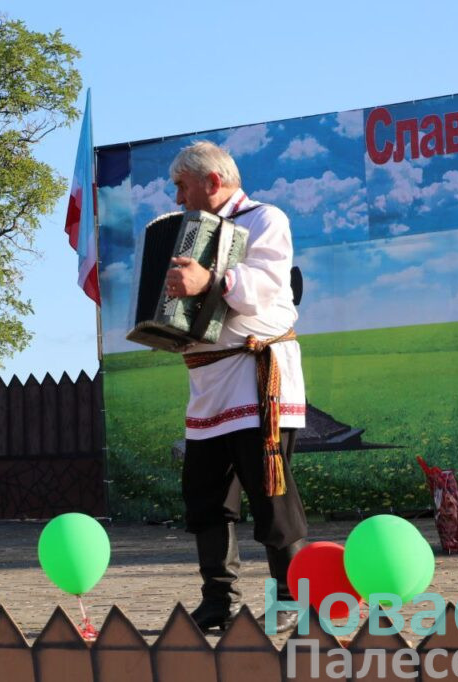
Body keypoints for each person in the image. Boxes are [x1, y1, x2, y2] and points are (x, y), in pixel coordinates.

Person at [165, 141, 307, 634]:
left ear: (212, 181)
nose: (178, 198)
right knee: (204, 496)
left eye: (182, 186)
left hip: (256, 380)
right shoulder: (186, 234)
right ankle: (219, 600)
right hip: (207, 384)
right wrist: (164, 326)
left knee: (270, 493)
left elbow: (263, 286)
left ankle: (291, 599)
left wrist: (207, 280)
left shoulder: (265, 219)